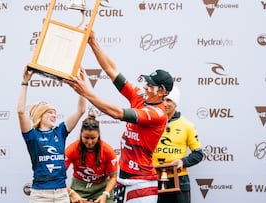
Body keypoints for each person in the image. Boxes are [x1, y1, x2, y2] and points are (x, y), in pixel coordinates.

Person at [65, 30, 174, 203]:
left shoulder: (158, 114)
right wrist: (93, 43)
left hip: (141, 184)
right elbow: (112, 71)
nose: (145, 87)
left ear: (161, 92)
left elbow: (117, 113)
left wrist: (86, 92)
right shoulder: (140, 97)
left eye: (150, 85)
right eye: (146, 82)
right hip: (125, 181)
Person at [17, 66, 86, 203]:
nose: (54, 115)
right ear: (39, 116)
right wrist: (25, 83)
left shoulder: (60, 131)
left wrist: (83, 88)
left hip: (61, 193)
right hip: (40, 195)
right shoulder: (32, 136)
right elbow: (20, 111)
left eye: (54, 112)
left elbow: (81, 110)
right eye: (49, 112)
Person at [152, 86, 203, 203]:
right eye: (163, 99)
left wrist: (182, 162)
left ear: (175, 103)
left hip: (179, 180)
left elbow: (198, 154)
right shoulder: (150, 123)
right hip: (153, 179)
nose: (165, 103)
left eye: (169, 100)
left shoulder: (187, 125)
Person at [65, 114, 118, 203]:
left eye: (93, 138)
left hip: (102, 188)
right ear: (81, 134)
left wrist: (105, 194)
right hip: (79, 187)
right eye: (86, 138)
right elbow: (58, 176)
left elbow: (113, 177)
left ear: (98, 136)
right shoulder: (72, 149)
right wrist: (71, 193)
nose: (89, 142)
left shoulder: (108, 151)